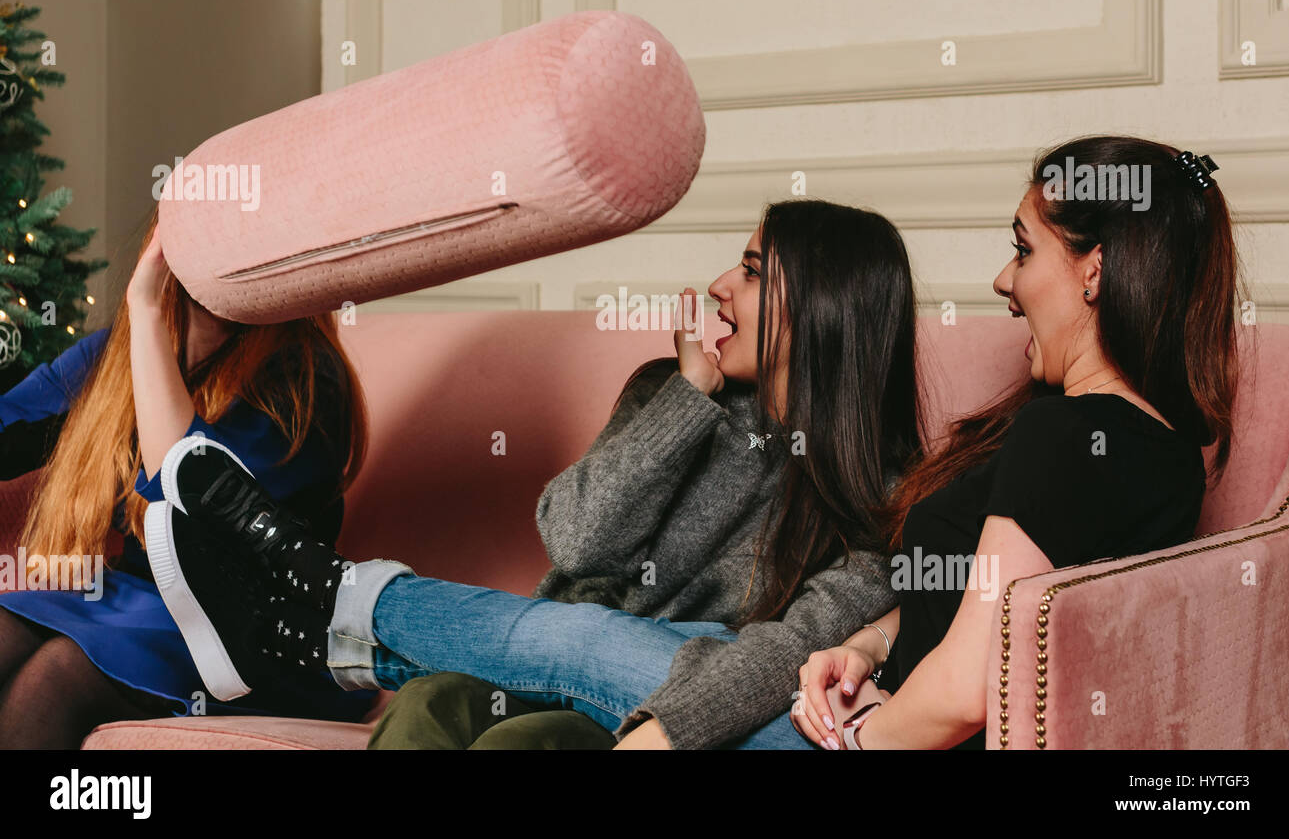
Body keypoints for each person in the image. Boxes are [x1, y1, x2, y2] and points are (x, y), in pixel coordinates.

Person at [146, 199, 922, 749]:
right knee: (427, 704)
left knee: (530, 744)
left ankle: (300, 605)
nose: (721, 283)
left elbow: (782, 657)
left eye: (753, 271)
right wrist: (688, 401)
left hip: (659, 709)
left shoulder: (886, 503)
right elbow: (574, 542)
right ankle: (305, 610)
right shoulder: (671, 394)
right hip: (527, 661)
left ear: (821, 309)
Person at [788, 136, 1239, 750]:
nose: (1004, 280)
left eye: (1023, 251)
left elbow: (967, 693)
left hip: (893, 738)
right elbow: (993, 610)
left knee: (612, 646)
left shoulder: (1066, 436)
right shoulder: (1166, 453)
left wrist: (855, 736)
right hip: (891, 706)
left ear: (1094, 271)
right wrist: (868, 647)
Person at [0, 209, 375, 748]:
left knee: (55, 676)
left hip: (241, 627)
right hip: (129, 602)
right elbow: (12, 423)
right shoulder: (114, 355)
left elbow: (188, 489)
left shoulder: (305, 379)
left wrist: (146, 309)